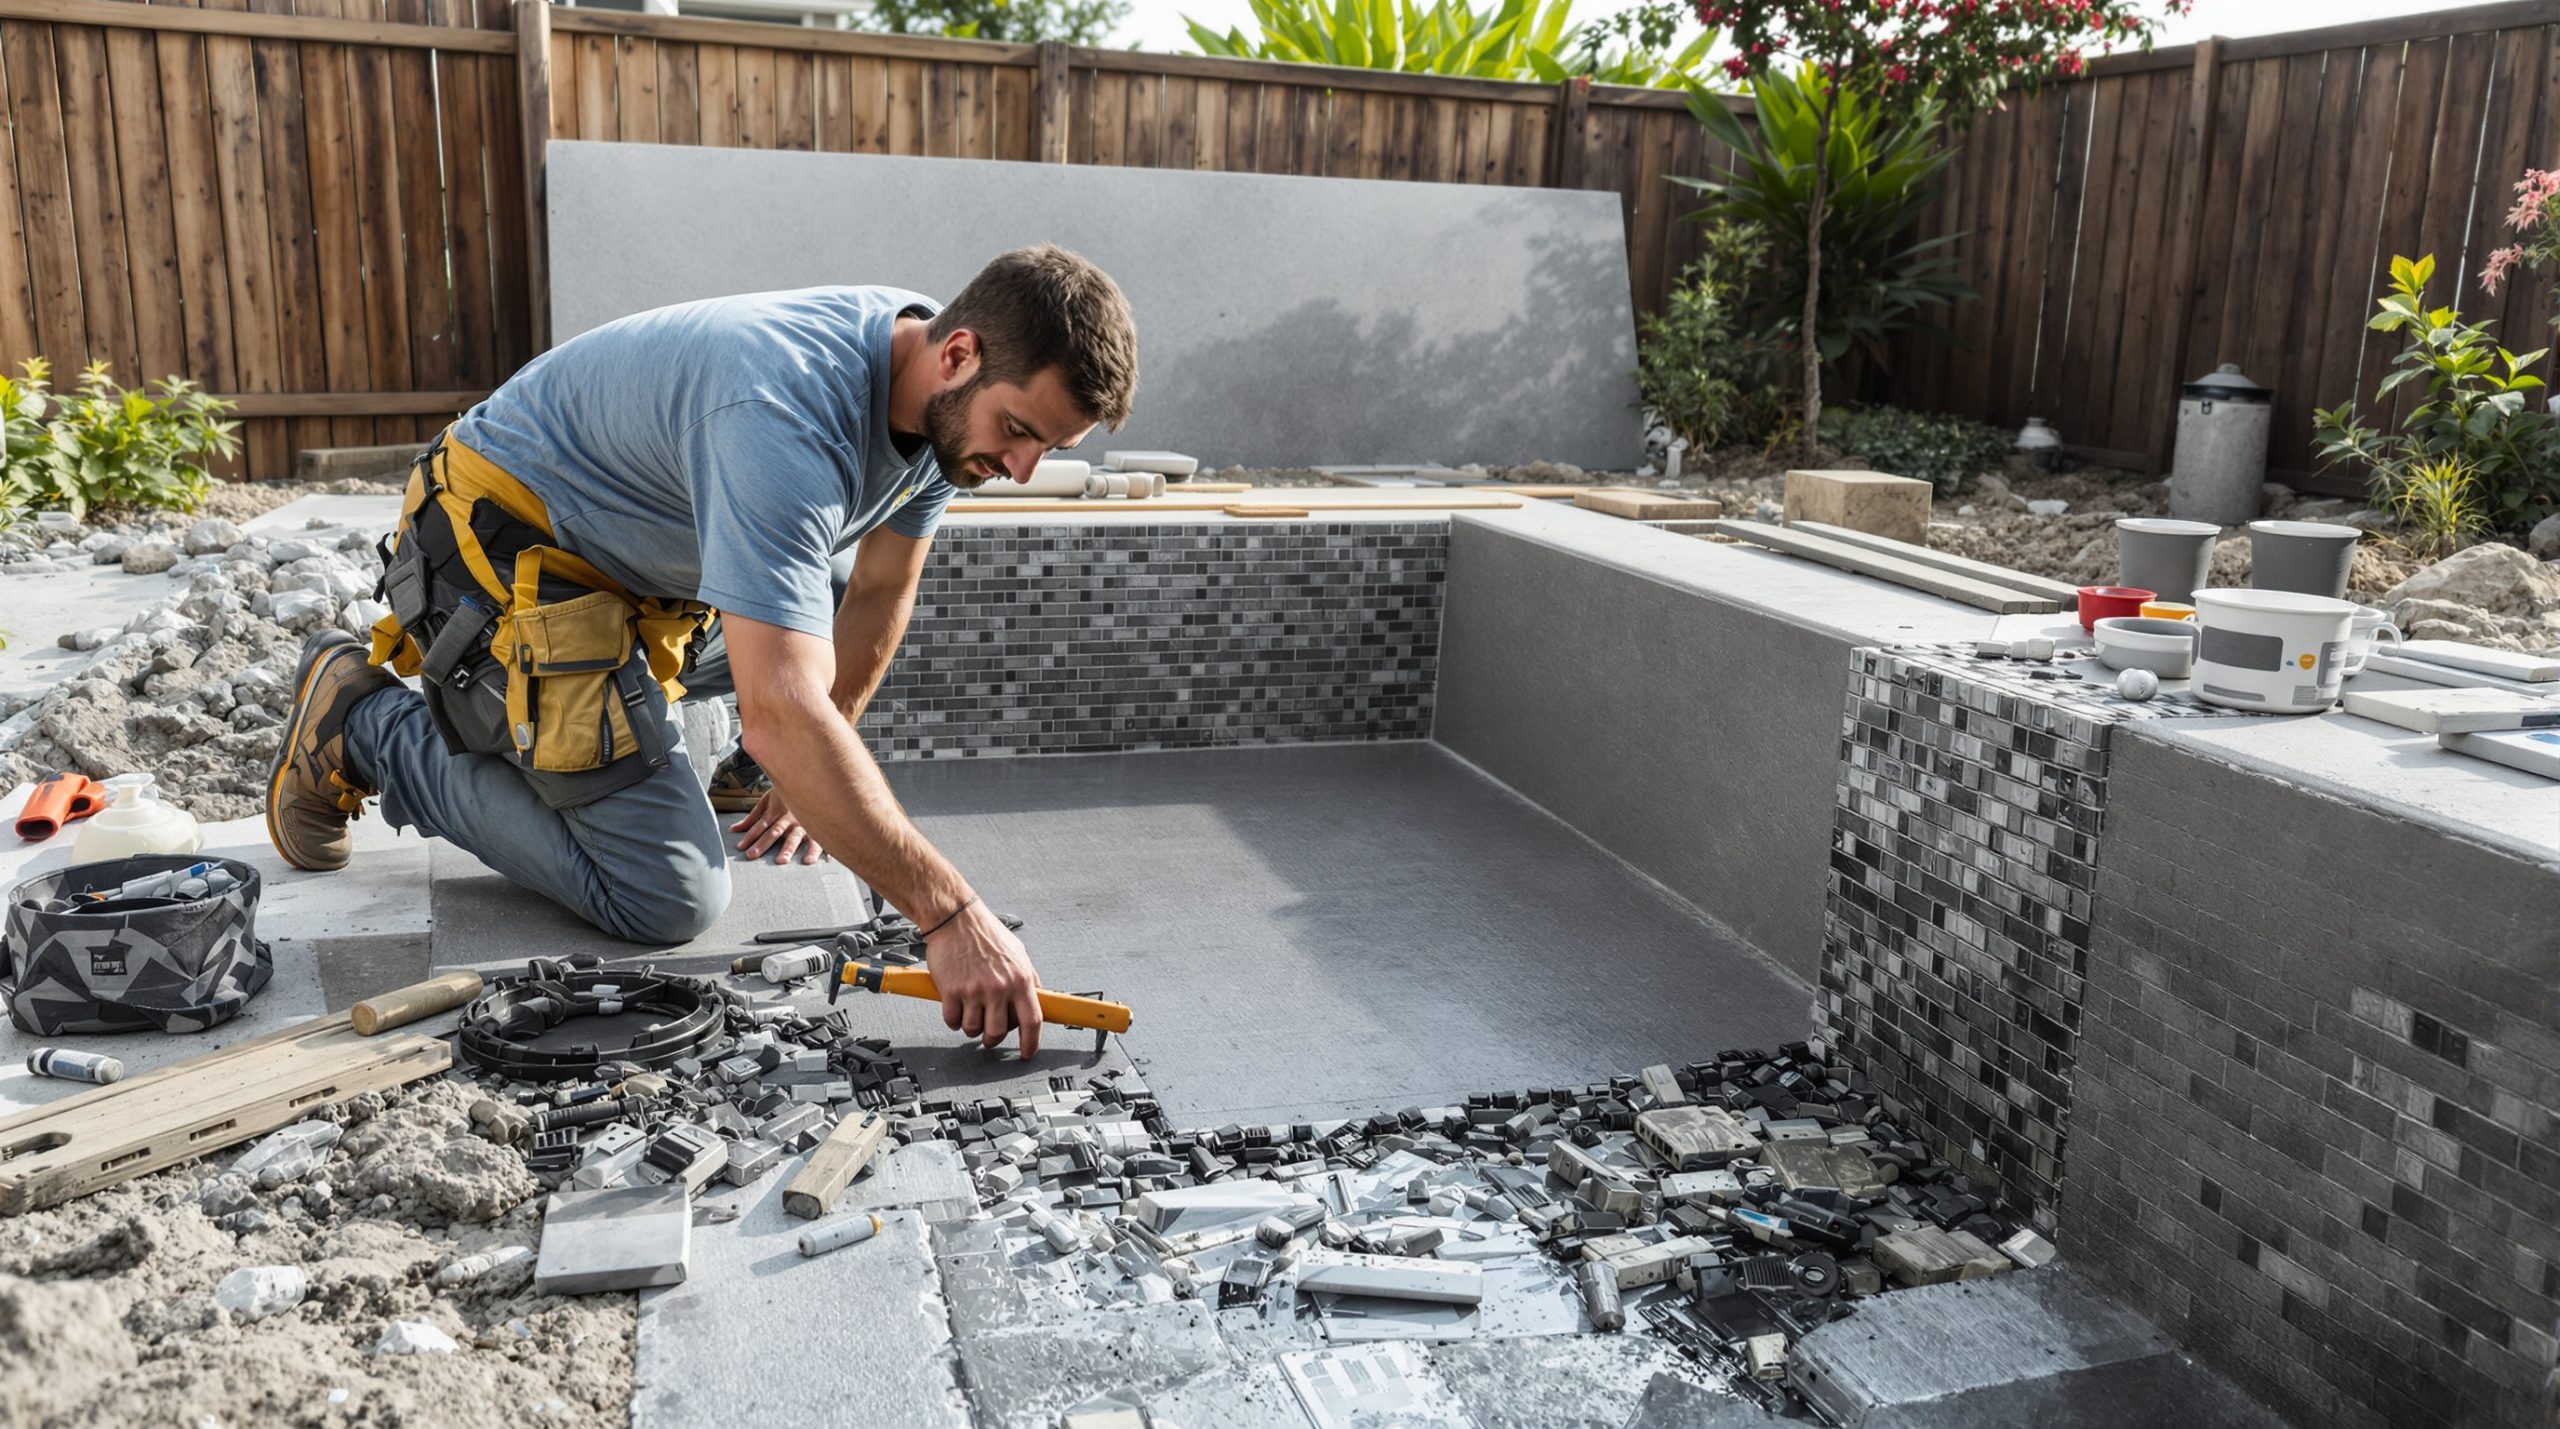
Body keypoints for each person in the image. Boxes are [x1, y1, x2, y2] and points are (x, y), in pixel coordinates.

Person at [262, 245, 1139, 1059]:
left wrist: (812, 765)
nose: (1022, 468)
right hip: (494, 556)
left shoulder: (931, 396)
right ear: (959, 354)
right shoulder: (785, 413)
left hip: (631, 571)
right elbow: (782, 708)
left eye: (1047, 449)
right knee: (666, 894)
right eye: (1019, 431)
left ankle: (682, 750)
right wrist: (950, 916)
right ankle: (364, 722)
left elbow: (878, 590)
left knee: (819, 602)